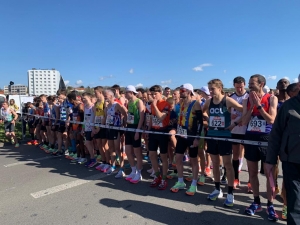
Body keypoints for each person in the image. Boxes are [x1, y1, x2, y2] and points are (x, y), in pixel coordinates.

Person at [242, 74, 278, 221]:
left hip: (266, 140)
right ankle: (256, 202)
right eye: (249, 83)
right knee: (252, 172)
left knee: (269, 174)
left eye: (252, 83)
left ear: (261, 84)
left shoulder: (271, 98)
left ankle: (270, 204)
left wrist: (259, 106)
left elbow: (271, 119)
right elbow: (244, 122)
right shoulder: (246, 100)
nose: (249, 86)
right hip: (250, 138)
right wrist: (251, 106)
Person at [265, 75, 300, 225]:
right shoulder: (289, 105)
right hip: (292, 161)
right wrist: (270, 160)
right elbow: (276, 133)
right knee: (295, 203)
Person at [202, 79, 243, 207]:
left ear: (220, 88)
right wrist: (209, 120)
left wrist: (234, 124)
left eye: (212, 89)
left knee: (227, 165)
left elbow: (243, 110)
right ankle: (217, 189)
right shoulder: (209, 101)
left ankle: (230, 193)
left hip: (225, 136)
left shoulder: (227, 100)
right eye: (209, 89)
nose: (210, 91)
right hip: (212, 135)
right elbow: (203, 111)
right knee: (215, 163)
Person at [170, 83, 204, 196]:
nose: (180, 92)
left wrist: (197, 138)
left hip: (192, 136)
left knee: (193, 160)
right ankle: (180, 181)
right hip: (181, 135)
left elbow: (200, 122)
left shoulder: (196, 104)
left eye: (182, 90)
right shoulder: (182, 103)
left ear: (189, 91)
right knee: (178, 158)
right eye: (180, 90)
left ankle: (194, 184)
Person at [146, 85, 171, 190]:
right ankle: (157, 176)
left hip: (163, 131)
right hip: (153, 131)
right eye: (152, 94)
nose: (153, 96)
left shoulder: (166, 104)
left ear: (161, 93)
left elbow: (161, 117)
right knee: (152, 154)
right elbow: (152, 117)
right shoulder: (152, 105)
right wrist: (148, 129)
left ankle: (164, 178)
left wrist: (155, 105)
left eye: (155, 94)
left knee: (163, 156)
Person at [229, 77, 249, 190]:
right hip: (235, 130)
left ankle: (251, 182)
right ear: (234, 86)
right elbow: (227, 111)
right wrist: (229, 116)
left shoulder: (249, 96)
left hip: (247, 130)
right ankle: (236, 178)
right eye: (237, 87)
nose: (239, 89)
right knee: (235, 154)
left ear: (244, 85)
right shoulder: (231, 97)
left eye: (241, 86)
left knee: (250, 157)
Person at [124, 85, 145, 183]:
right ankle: (133, 170)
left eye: (126, 92)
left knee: (137, 152)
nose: (124, 94)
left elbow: (141, 117)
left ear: (131, 92)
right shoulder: (129, 102)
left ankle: (139, 173)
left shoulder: (139, 101)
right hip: (129, 127)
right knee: (128, 151)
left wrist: (138, 130)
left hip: (136, 128)